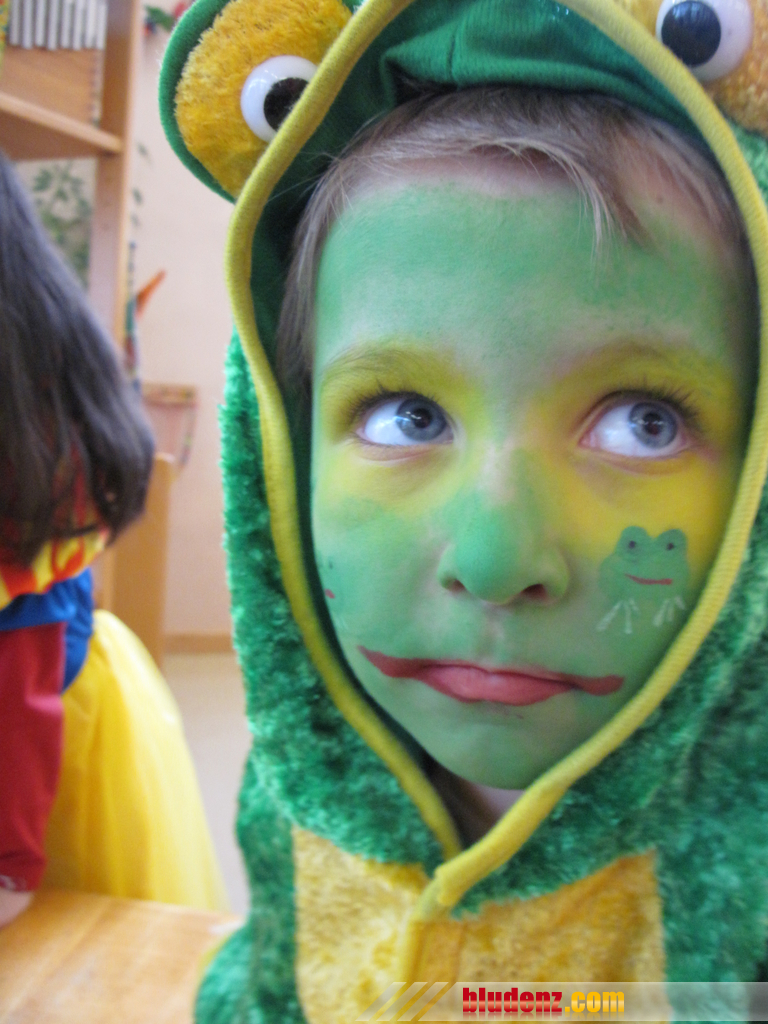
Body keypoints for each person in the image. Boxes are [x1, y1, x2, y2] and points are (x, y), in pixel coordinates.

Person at [160, 0, 768, 1019]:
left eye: (645, 422)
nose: (495, 560)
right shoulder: (303, 775)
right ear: (277, 452)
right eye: (406, 415)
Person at [0, 152, 227, 927]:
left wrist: (10, 866)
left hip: (42, 744)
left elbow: (19, 683)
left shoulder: (33, 415)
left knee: (62, 945)